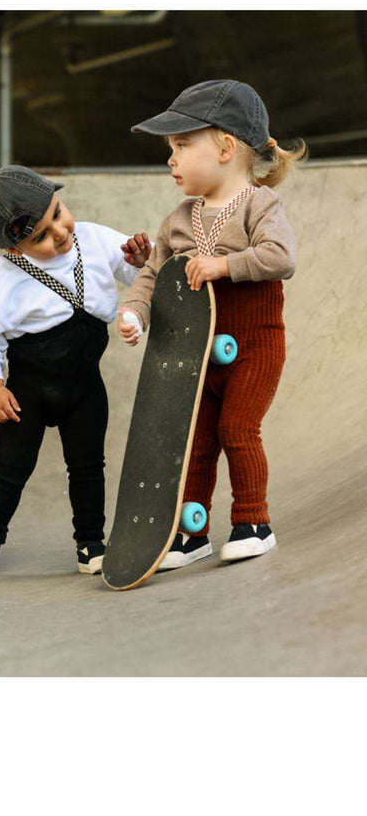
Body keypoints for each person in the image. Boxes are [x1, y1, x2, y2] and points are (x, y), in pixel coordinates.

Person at [118, 79, 303, 568]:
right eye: (170, 149)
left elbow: (280, 257)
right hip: (196, 355)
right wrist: (135, 311)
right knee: (196, 442)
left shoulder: (260, 205)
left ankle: (253, 522)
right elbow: (153, 274)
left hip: (254, 346)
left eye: (182, 145)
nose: (171, 159)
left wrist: (224, 265)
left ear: (225, 147)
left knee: (237, 429)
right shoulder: (179, 219)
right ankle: (190, 532)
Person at [0, 165, 151, 580]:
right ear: (14, 249)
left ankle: (91, 545)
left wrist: (141, 260)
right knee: (10, 470)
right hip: (28, 395)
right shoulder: (4, 279)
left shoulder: (94, 240)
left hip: (85, 389)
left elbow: (139, 277)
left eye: (58, 213)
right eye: (40, 236)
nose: (59, 233)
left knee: (88, 467)